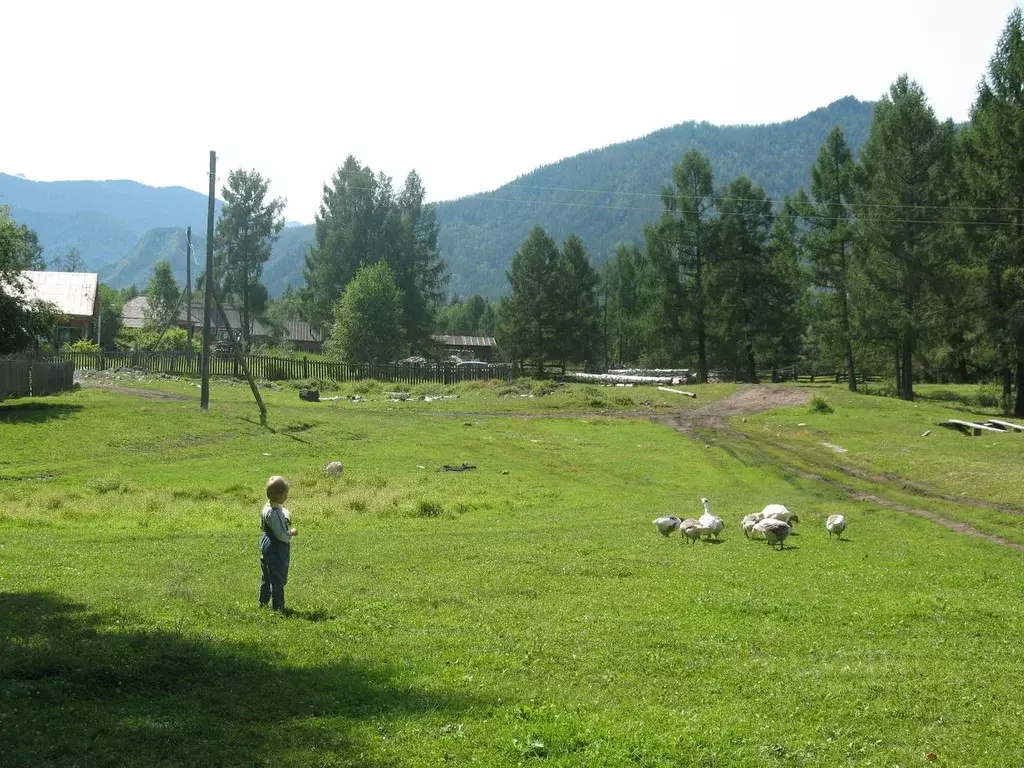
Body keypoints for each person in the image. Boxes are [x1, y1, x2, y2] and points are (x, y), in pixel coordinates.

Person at [259, 475, 297, 611]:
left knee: (266, 576)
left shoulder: (267, 507)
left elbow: (263, 527)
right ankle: (278, 607)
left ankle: (263, 602)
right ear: (280, 495)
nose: (286, 497)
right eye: (286, 494)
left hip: (265, 543)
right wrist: (291, 532)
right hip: (275, 547)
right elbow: (282, 534)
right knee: (277, 577)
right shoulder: (275, 513)